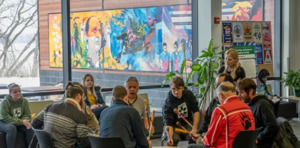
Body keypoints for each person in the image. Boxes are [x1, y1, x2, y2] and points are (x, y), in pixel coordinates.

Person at [189, 82, 255, 148]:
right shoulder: (247, 108)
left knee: (191, 147)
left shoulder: (221, 111)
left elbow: (210, 141)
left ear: (221, 95)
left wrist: (202, 139)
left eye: (218, 98)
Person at [31, 82, 91, 148]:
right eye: (83, 97)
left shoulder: (50, 107)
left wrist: (47, 135)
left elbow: (34, 123)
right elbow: (84, 142)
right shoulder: (80, 116)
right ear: (78, 96)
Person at [237, 78, 279, 148]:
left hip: (262, 143)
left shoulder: (262, 104)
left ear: (250, 91)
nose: (239, 96)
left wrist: (258, 138)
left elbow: (273, 125)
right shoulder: (250, 105)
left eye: (242, 92)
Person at [162, 76, 200, 146]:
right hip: (173, 126)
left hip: (186, 123)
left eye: (178, 89)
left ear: (183, 87)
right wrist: (169, 138)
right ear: (170, 88)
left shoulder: (188, 94)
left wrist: (194, 128)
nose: (176, 92)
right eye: (173, 89)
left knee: (194, 137)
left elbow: (196, 111)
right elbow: (168, 124)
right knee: (174, 138)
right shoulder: (167, 103)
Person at [0, 83, 34, 148]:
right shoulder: (4, 102)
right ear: (10, 93)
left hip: (18, 121)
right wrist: (21, 122)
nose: (18, 93)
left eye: (19, 91)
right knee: (12, 128)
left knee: (30, 127)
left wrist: (25, 121)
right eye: (15, 92)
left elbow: (27, 114)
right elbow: (5, 117)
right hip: (3, 122)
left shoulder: (24, 101)